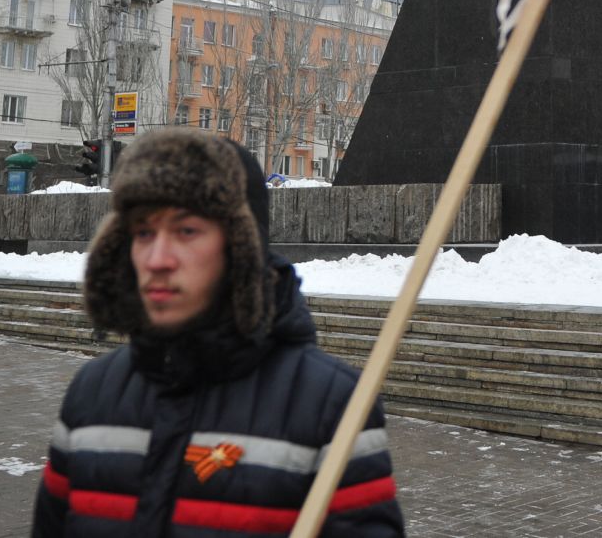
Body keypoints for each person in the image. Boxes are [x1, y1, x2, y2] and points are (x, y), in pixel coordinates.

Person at [32, 130, 404, 536]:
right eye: (143, 233)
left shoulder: (330, 407)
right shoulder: (93, 392)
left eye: (186, 230)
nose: (157, 259)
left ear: (240, 250)